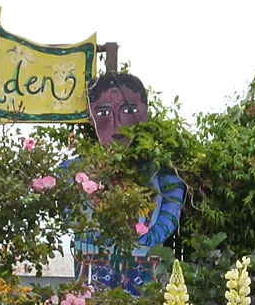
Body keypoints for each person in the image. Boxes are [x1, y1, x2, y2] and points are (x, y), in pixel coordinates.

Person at [74, 72, 185, 292]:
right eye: (102, 112)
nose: (116, 124)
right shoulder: (75, 171)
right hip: (93, 264)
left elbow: (171, 212)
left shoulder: (161, 171)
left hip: (145, 264)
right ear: (91, 117)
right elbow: (72, 217)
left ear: (144, 113)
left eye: (128, 111)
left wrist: (144, 238)